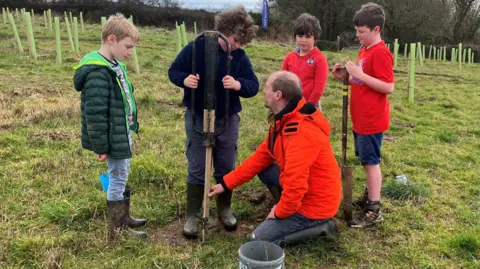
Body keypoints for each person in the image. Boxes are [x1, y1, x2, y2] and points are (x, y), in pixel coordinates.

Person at [209, 71, 341, 246]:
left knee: (258, 240)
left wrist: (280, 212)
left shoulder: (302, 133)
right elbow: (261, 157)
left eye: (267, 88)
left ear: (278, 95)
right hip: (301, 193)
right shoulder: (283, 120)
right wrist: (225, 184)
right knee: (264, 167)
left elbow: (296, 185)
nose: (264, 92)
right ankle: (287, 207)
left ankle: (323, 227)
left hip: (316, 206)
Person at [168, 6, 259, 239]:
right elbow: (174, 71)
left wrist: (238, 85)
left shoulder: (239, 56)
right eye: (236, 40)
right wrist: (184, 80)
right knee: (198, 165)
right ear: (223, 31)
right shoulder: (196, 48)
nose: (237, 45)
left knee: (226, 164)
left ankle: (224, 208)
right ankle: (192, 214)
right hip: (198, 116)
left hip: (227, 119)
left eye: (242, 42)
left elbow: (253, 86)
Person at [73, 14, 147, 239]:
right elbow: (95, 115)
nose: (130, 53)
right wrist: (101, 147)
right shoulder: (97, 72)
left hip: (120, 132)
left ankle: (123, 217)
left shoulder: (114, 65)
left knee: (121, 174)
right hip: (110, 137)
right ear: (112, 39)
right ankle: (119, 230)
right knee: (117, 177)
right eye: (128, 47)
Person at [332, 2, 394, 228]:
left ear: (376, 30)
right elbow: (361, 81)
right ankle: (370, 196)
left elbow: (388, 86)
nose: (357, 35)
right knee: (365, 159)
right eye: (356, 31)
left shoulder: (381, 53)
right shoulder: (365, 50)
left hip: (372, 118)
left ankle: (373, 210)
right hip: (359, 117)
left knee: (370, 162)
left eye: (361, 32)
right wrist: (346, 76)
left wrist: (359, 73)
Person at [259, 13, 329, 201]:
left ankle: (308, 184)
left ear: (315, 37)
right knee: (285, 145)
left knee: (304, 148)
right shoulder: (290, 57)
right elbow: (282, 81)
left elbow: (318, 87)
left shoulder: (319, 59)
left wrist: (307, 107)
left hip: (308, 110)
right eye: (300, 36)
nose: (303, 40)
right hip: (288, 110)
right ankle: (286, 184)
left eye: (308, 36)